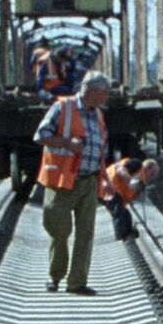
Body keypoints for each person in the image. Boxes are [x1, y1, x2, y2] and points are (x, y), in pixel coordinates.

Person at [34, 72, 110, 294]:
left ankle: (77, 282)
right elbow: (40, 136)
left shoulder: (98, 115)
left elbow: (101, 147)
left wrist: (103, 179)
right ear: (93, 91)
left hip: (88, 180)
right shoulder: (63, 108)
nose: (107, 97)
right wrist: (67, 143)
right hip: (62, 179)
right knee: (59, 229)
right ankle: (55, 275)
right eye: (105, 92)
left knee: (86, 233)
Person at [100, 154, 159, 241]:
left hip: (114, 191)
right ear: (148, 167)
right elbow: (120, 169)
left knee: (126, 215)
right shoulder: (137, 165)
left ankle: (128, 235)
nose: (152, 177)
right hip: (109, 186)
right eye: (152, 173)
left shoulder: (141, 179)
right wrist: (130, 181)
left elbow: (131, 193)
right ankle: (121, 239)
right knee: (118, 213)